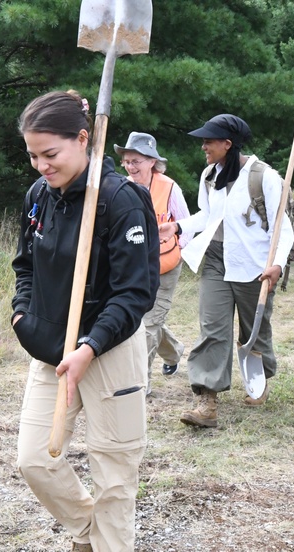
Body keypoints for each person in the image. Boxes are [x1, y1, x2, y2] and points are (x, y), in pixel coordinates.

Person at [11, 90, 159, 552]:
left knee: (113, 469)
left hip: (110, 350)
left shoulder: (121, 200)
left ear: (83, 139)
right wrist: (21, 316)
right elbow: (24, 267)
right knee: (34, 458)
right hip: (50, 351)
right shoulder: (39, 194)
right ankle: (85, 534)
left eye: (50, 154)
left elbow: (135, 292)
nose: (41, 165)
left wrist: (92, 344)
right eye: (33, 155)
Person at [177, 114, 294, 428]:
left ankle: (259, 378)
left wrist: (277, 264)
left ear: (227, 144)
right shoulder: (209, 175)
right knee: (212, 329)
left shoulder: (264, 177)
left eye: (209, 141)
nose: (203, 146)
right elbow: (207, 216)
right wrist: (176, 227)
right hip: (216, 258)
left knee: (253, 329)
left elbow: (284, 229)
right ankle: (207, 399)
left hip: (254, 265)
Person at [114, 131, 190, 389]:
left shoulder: (169, 187)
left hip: (165, 265)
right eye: (126, 161)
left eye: (136, 161)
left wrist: (184, 254)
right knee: (144, 320)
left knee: (147, 326)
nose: (130, 166)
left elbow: (186, 225)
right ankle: (173, 351)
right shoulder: (121, 188)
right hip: (134, 266)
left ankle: (140, 385)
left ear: (151, 161)